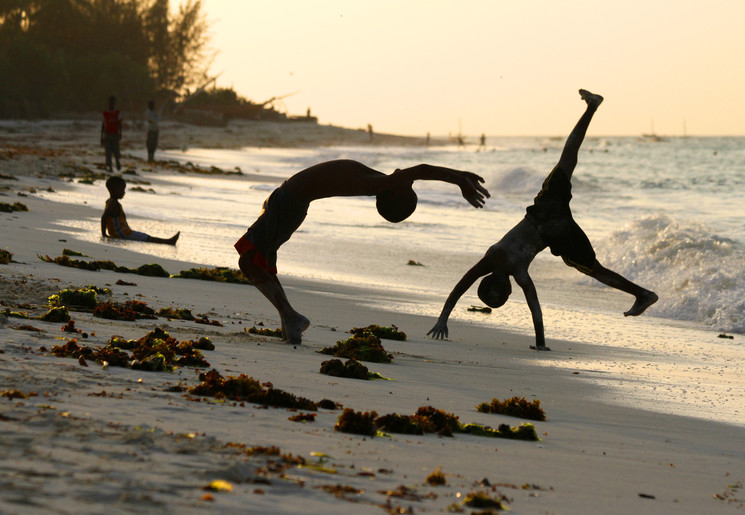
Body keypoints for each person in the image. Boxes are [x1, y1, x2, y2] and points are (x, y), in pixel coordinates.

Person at [427, 89, 658, 351]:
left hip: (556, 231)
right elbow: (461, 286)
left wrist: (541, 344)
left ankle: (643, 294)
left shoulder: (519, 273)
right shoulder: (492, 257)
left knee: (595, 269)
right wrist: (442, 316)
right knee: (568, 158)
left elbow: (534, 307)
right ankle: (592, 108)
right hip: (548, 211)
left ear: (508, 290)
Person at [235, 159, 490, 345]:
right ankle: (290, 320)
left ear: (393, 193)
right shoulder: (378, 180)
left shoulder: (380, 183)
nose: (409, 181)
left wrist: (460, 178)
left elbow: (422, 170)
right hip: (288, 202)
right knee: (260, 261)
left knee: (249, 262)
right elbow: (416, 172)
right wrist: (459, 174)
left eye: (407, 187)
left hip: (289, 203)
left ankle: (291, 317)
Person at [101, 176, 180, 245]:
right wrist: (104, 234)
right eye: (122, 190)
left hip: (123, 233)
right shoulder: (113, 204)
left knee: (143, 236)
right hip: (122, 234)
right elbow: (104, 217)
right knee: (146, 237)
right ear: (115, 190)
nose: (124, 192)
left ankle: (168, 241)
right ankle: (168, 241)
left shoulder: (110, 202)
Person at [101, 96, 122, 171]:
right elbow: (103, 125)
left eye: (112, 102)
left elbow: (119, 123)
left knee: (116, 150)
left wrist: (120, 133)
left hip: (115, 134)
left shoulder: (117, 113)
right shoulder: (105, 113)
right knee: (108, 151)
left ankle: (117, 162)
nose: (111, 103)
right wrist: (102, 136)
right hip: (107, 134)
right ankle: (109, 166)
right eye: (110, 102)